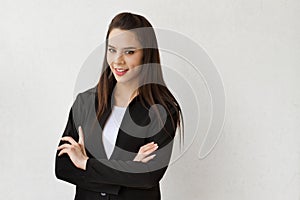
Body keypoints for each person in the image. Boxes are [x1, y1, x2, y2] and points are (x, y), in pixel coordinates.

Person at [55, 12, 184, 200]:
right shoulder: (85, 102)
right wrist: (130, 168)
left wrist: (86, 163)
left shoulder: (162, 110)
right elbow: (63, 168)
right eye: (112, 49)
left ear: (146, 54)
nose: (118, 60)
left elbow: (148, 176)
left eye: (129, 52)